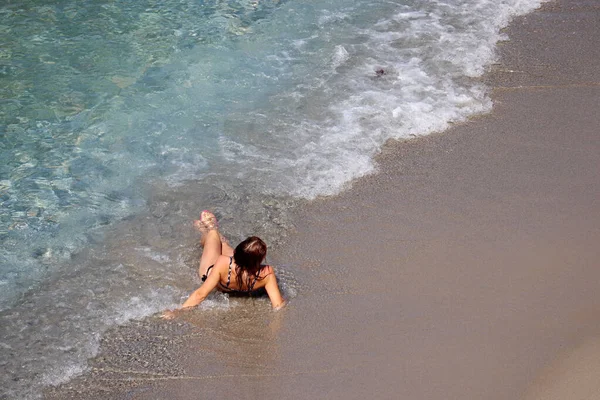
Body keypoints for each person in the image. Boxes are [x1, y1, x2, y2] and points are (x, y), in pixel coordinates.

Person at [162, 210, 285, 319]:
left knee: (213, 235)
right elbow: (278, 306)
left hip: (211, 272)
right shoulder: (267, 273)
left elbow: (201, 294)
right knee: (224, 245)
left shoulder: (222, 261)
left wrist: (177, 312)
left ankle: (208, 229)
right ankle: (217, 238)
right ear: (262, 259)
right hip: (240, 271)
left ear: (237, 252)